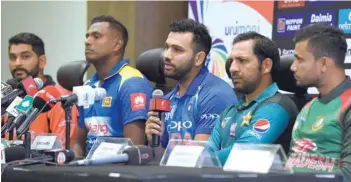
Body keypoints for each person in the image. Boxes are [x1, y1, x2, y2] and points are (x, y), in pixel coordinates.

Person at [206, 32, 298, 165]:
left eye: (242, 61)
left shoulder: (276, 107)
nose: (232, 68)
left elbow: (242, 154)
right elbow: (208, 149)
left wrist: (199, 161)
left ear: (266, 66)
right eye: (232, 61)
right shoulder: (229, 111)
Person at [145, 19, 238, 151]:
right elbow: (160, 158)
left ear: (199, 58)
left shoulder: (215, 95)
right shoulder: (167, 99)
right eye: (167, 47)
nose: (166, 55)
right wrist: (154, 140)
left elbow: (200, 157)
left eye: (177, 50)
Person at [74, 15, 153, 156]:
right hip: (88, 171)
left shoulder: (132, 83)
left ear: (117, 45)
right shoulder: (88, 85)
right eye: (87, 36)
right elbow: (78, 144)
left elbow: (134, 149)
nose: (87, 41)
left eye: (96, 36)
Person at [285, 24, 351, 181]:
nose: (293, 67)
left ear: (323, 64)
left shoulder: (347, 105)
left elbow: (348, 175)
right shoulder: (308, 108)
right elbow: (289, 164)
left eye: (299, 59)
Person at [6, 32, 78, 146]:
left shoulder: (59, 98)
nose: (17, 63)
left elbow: (61, 150)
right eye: (13, 57)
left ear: (42, 61)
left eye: (25, 56)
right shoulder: (8, 98)